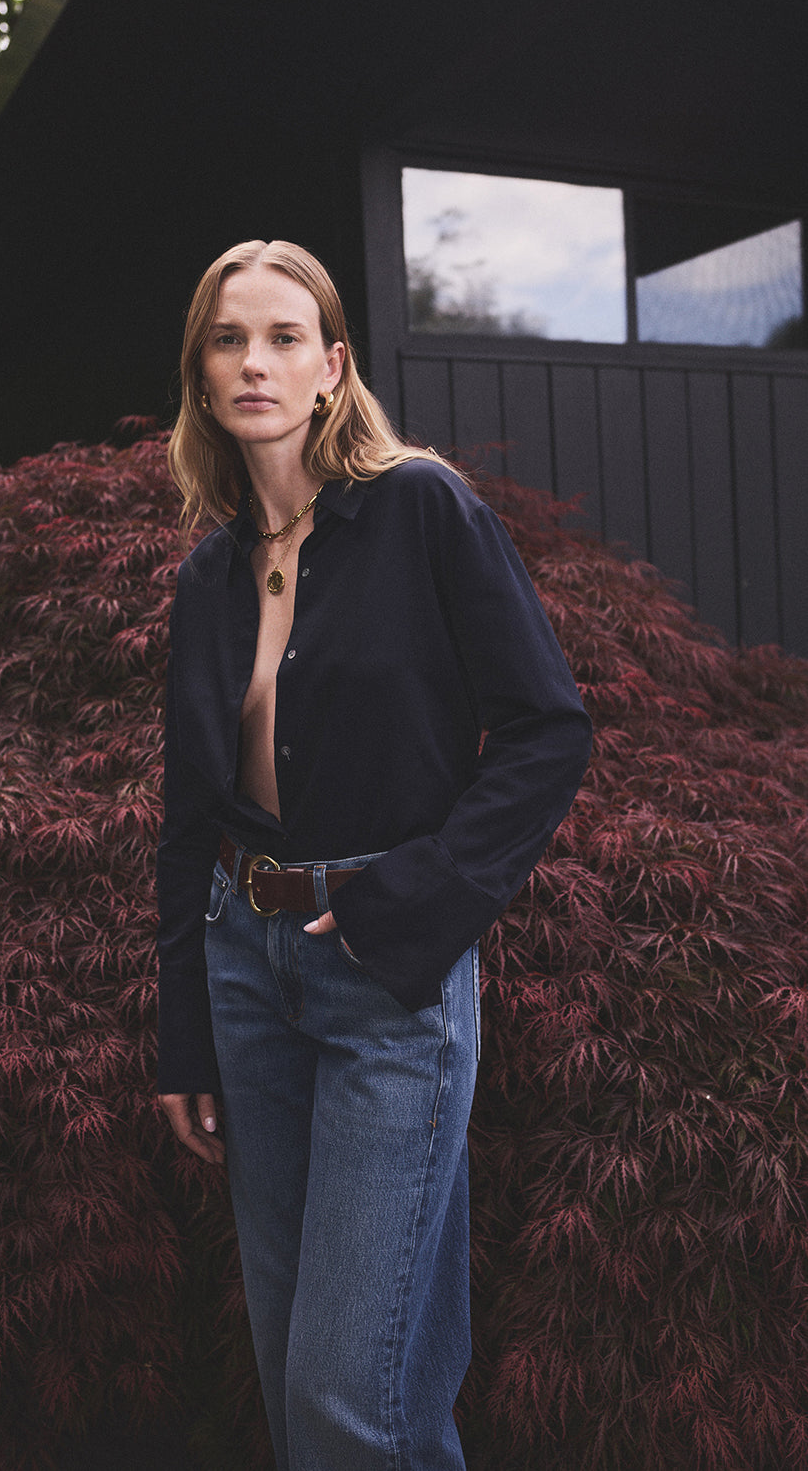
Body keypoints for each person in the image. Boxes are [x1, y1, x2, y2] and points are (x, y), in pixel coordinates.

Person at [155, 239, 592, 1471]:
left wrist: (413, 901)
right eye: (229, 338)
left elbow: (547, 729)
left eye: (284, 337)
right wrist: (182, 1036)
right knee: (305, 1376)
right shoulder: (206, 578)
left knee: (353, 1397)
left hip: (385, 974)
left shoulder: (421, 508)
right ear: (199, 373)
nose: (255, 361)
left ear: (332, 367)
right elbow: (189, 824)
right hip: (243, 973)